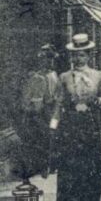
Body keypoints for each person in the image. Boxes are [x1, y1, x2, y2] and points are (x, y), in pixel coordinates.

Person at [50, 34, 101, 201]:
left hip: (91, 127)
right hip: (70, 129)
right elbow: (58, 104)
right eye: (76, 55)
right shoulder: (64, 77)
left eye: (82, 54)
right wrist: (53, 126)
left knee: (91, 169)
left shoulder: (98, 76)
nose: (79, 58)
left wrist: (94, 103)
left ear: (88, 56)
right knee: (70, 170)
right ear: (72, 56)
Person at [16, 44, 58, 179]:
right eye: (46, 59)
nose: (49, 61)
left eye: (51, 59)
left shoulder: (54, 74)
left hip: (53, 110)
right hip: (40, 111)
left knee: (53, 137)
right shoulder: (37, 77)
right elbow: (33, 99)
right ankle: (43, 166)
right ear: (41, 60)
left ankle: (51, 164)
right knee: (42, 138)